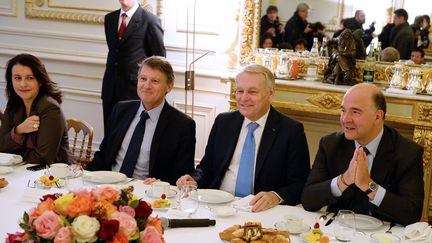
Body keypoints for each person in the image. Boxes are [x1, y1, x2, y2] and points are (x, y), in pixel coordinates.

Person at [176, 64, 310, 212]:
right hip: (218, 204)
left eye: (252, 92)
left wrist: (275, 195)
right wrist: (194, 180)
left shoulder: (291, 130)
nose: (244, 98)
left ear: (270, 93)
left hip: (261, 210)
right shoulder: (224, 122)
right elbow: (207, 167)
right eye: (239, 91)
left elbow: (300, 184)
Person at [302, 83, 424, 226]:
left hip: (384, 235)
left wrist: (369, 185)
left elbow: (412, 214)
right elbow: (308, 199)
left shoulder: (407, 153)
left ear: (378, 116)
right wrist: (344, 180)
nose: (345, 119)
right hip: (338, 230)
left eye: (355, 112)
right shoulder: (331, 144)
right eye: (343, 110)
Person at [86, 56, 196, 185]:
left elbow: (182, 176)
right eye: (143, 79)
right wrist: (84, 174)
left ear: (169, 87)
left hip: (147, 194)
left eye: (154, 81)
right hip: (108, 186)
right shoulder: (121, 110)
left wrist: (161, 184)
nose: (146, 86)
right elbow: (104, 154)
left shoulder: (182, 125)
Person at [102, 0, 166, 136]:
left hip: (135, 92)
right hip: (109, 90)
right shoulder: (110, 19)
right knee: (109, 136)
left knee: (131, 138)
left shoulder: (150, 20)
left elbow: (159, 61)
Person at [0, 54, 73, 165]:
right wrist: (18, 131)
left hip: (53, 175)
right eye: (17, 78)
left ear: (40, 80)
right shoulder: (14, 103)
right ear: (11, 80)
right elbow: (1, 147)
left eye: (30, 78)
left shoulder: (51, 108)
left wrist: (15, 156)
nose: (23, 84)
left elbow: (44, 158)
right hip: (24, 171)